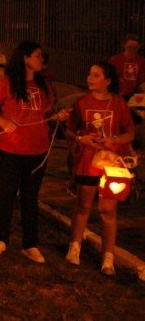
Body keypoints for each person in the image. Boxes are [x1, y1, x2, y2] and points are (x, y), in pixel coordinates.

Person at [0, 41, 70, 262]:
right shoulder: (7, 83)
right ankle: (1, 238)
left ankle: (30, 243)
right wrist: (3, 122)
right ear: (25, 58)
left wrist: (58, 116)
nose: (41, 60)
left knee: (30, 197)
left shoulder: (44, 85)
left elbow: (47, 112)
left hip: (38, 149)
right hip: (10, 148)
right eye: (37, 55)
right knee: (7, 193)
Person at [65, 62, 135, 276]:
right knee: (83, 205)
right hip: (87, 163)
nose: (90, 78)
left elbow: (130, 132)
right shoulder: (81, 103)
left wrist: (114, 140)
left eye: (95, 75)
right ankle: (75, 246)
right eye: (89, 74)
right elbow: (69, 130)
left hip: (112, 165)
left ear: (107, 81)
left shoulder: (118, 104)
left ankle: (108, 257)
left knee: (108, 210)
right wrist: (81, 138)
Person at [109, 35, 145, 100]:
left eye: (135, 47)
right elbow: (110, 76)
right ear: (124, 46)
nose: (132, 50)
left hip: (134, 94)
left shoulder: (141, 61)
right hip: (118, 93)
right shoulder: (115, 59)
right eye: (129, 47)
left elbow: (142, 79)